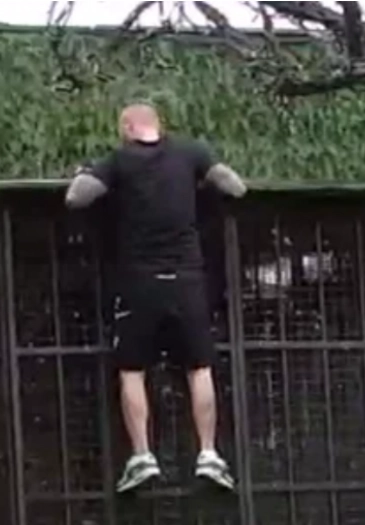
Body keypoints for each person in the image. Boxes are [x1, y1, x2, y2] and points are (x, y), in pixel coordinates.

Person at [64, 103, 247, 493]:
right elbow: (235, 186)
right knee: (199, 366)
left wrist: (84, 173)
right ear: (158, 125)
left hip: (138, 279)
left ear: (128, 127)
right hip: (187, 278)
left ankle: (142, 456)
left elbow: (77, 197)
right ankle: (209, 453)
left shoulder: (119, 160)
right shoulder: (191, 153)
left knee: (132, 368)